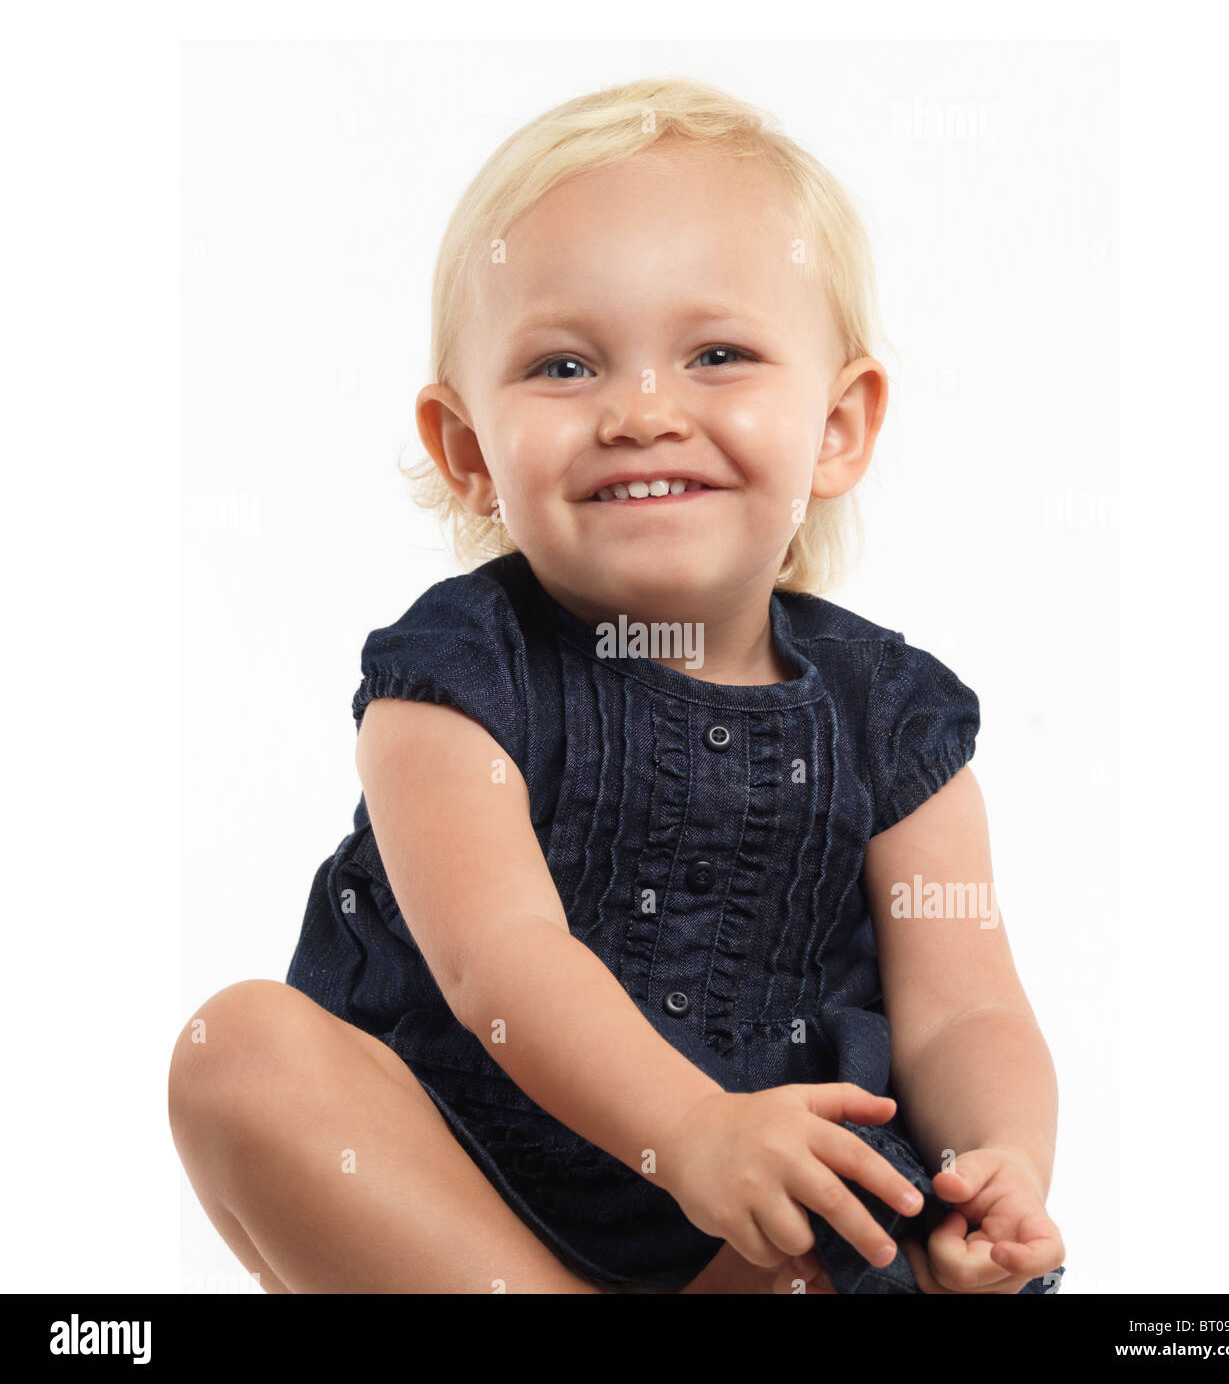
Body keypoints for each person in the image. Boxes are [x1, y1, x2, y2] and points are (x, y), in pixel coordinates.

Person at [169, 75, 1066, 1295]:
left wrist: (999, 1162)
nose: (643, 411)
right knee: (239, 1055)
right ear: (468, 449)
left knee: (864, 1209)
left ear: (840, 425)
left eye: (717, 353)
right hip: (460, 1196)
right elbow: (503, 958)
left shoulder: (894, 723)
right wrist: (689, 1129)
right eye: (564, 366)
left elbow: (964, 1010)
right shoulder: (448, 688)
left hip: (753, 1230)